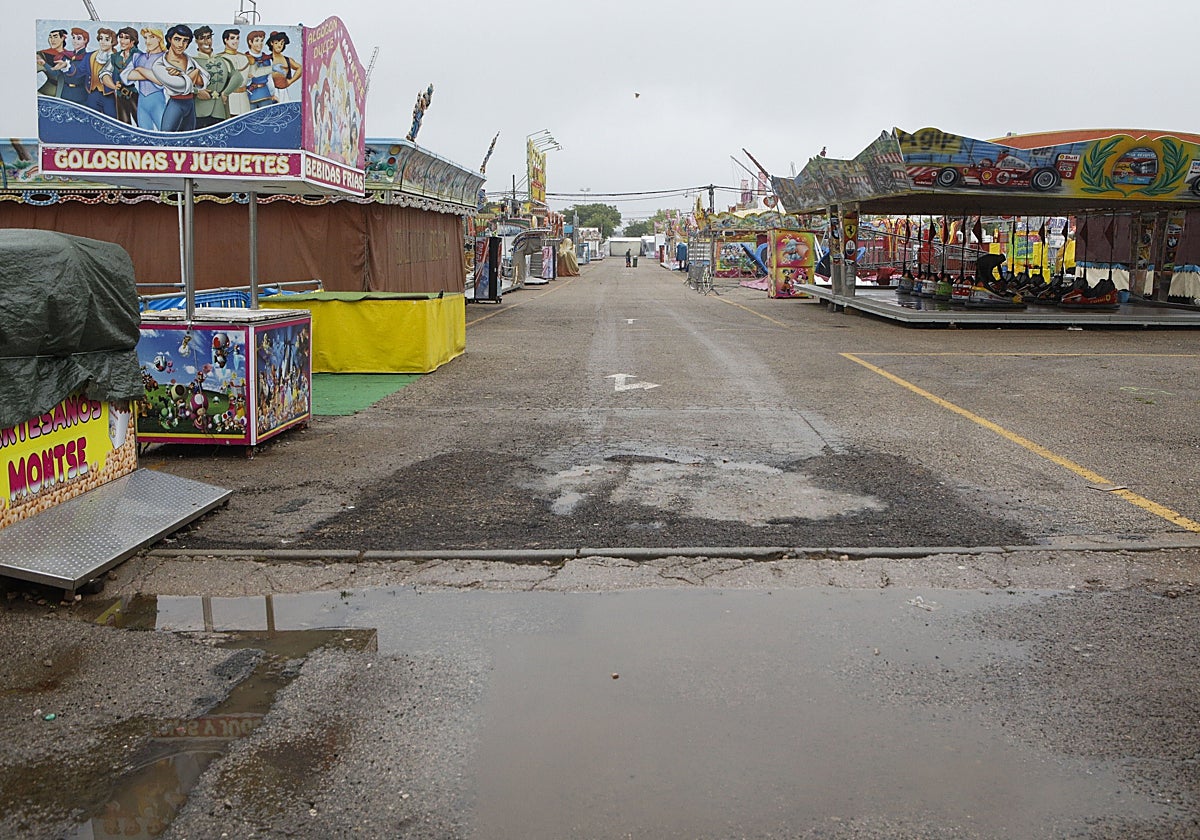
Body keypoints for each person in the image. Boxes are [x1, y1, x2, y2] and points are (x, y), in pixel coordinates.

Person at [192, 26, 240, 128]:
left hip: (219, 110)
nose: (206, 41)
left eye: (208, 37)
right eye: (202, 38)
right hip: (200, 110)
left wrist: (226, 92)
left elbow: (237, 77)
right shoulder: (192, 61)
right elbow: (182, 83)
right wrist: (197, 91)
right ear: (196, 41)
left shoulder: (223, 60)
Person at [220, 29, 252, 116]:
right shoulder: (220, 58)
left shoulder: (244, 57)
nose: (236, 41)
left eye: (237, 38)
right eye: (232, 38)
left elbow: (254, 72)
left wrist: (272, 68)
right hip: (230, 97)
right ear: (225, 40)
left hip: (244, 97)